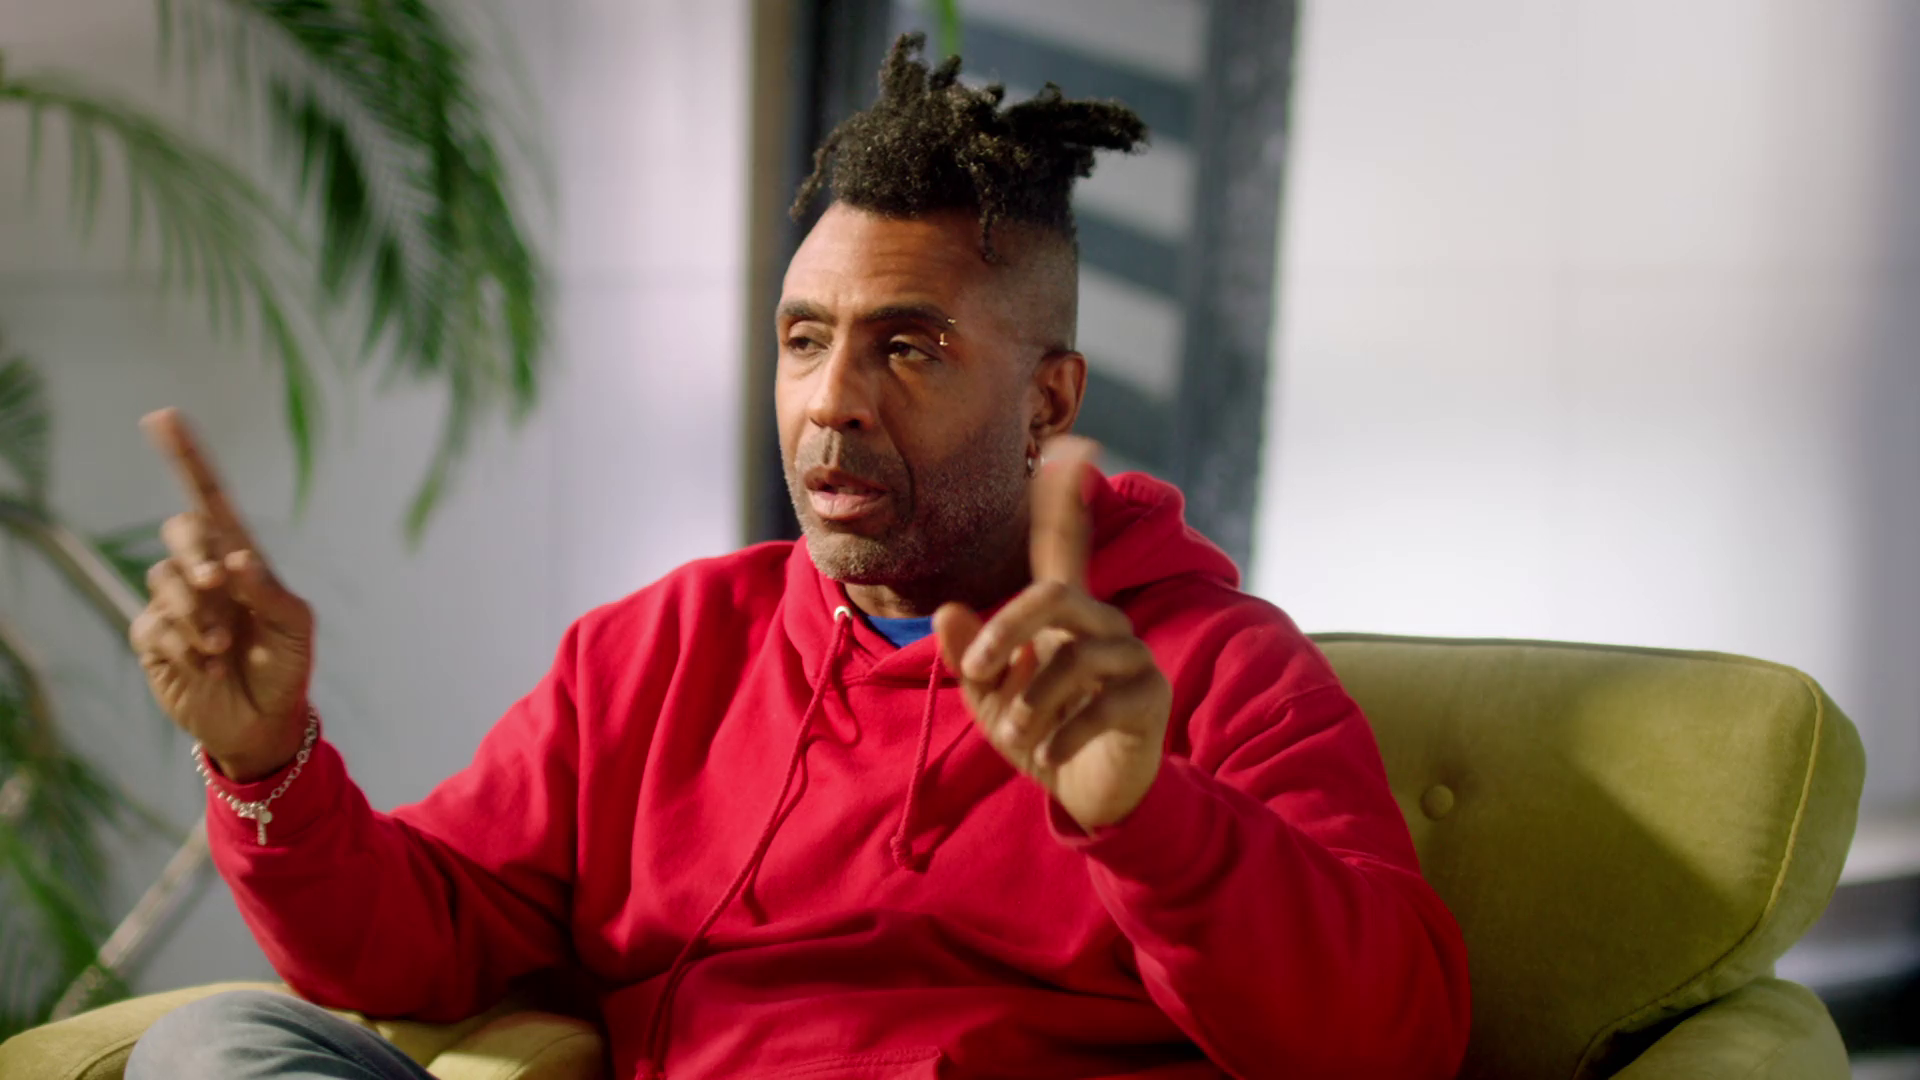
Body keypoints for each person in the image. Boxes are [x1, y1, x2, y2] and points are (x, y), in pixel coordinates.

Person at [126, 34, 1469, 1080]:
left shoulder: (1213, 668)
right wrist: (267, 762)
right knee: (216, 1048)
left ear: (1048, 402)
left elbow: (1393, 1042)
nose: (831, 401)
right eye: (804, 338)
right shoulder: (656, 651)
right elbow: (410, 939)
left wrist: (1149, 819)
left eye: (908, 347)